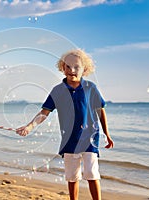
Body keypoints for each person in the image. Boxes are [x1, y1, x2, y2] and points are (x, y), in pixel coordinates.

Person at [16, 49, 114, 200]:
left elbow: (100, 111)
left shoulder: (90, 88)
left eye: (76, 67)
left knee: (91, 173)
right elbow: (44, 113)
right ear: (62, 68)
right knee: (72, 176)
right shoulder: (58, 91)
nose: (71, 70)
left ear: (85, 69)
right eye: (68, 66)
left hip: (90, 139)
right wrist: (29, 126)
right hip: (69, 140)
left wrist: (107, 134)